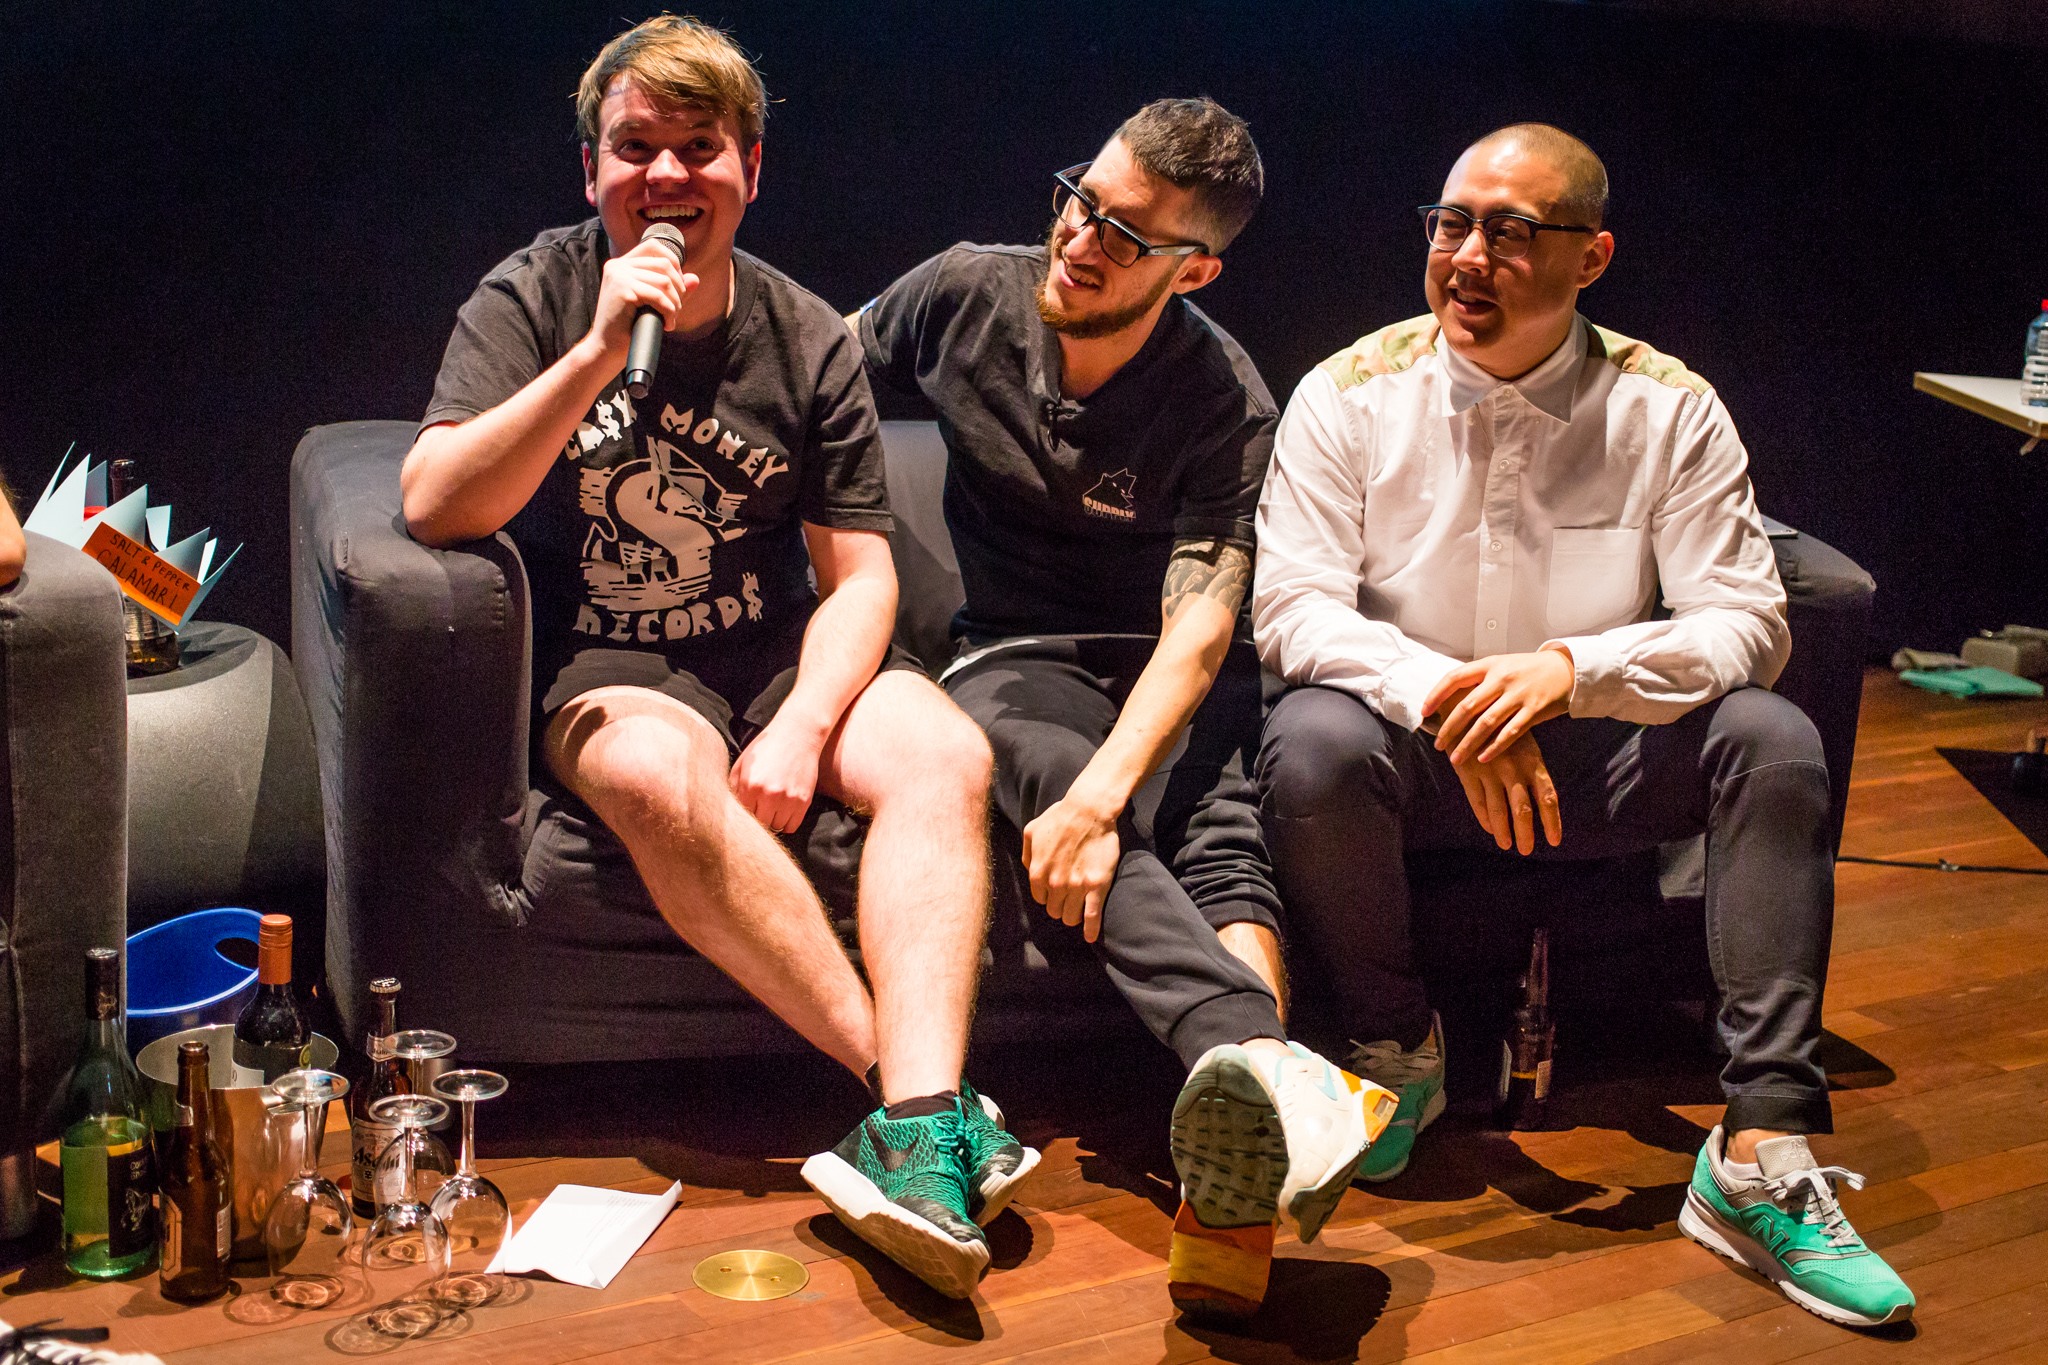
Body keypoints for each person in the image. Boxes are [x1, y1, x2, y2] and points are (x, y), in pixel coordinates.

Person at [401, 16, 1031, 1301]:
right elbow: (434, 505)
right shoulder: (533, 295)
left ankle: (911, 1131)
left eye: (699, 148)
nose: (668, 178)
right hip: (610, 664)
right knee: (651, 779)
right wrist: (592, 352)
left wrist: (803, 723)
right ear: (592, 171)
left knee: (941, 750)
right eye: (636, 149)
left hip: (770, 652)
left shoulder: (807, 335)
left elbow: (861, 576)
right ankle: (920, 1111)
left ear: (752, 167)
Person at [1252, 123, 1914, 1329]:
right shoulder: (1347, 392)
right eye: (1450, 223)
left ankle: (1761, 1147)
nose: (1466, 255)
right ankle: (1397, 1051)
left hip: (1595, 746)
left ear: (1589, 257)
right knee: (1309, 741)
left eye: (1510, 231)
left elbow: (1745, 624)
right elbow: (1290, 611)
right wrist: (1455, 702)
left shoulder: (1669, 407)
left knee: (1769, 736)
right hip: (1417, 746)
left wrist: (1565, 672)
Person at [855, 97, 1394, 1319]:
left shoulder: (1221, 400)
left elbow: (1201, 625)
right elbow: (811, 380)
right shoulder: (961, 293)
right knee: (1036, 755)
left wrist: (1108, 799)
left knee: (1210, 820)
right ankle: (1260, 1063)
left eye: (1126, 232)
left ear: (1195, 267)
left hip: (1157, 664)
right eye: (1079, 197)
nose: (1079, 236)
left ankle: (1234, 1184)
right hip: (1013, 654)